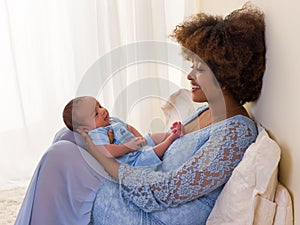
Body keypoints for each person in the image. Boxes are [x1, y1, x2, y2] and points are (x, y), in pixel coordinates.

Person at [15, 3, 265, 225]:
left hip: (152, 214)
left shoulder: (235, 133)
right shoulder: (206, 111)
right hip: (143, 188)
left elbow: (166, 192)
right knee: (68, 136)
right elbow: (167, 141)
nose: (189, 76)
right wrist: (133, 141)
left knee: (62, 155)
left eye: (199, 69)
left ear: (225, 74)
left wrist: (104, 159)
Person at [62, 96, 183, 169]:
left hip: (138, 145)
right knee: (152, 153)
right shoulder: (97, 133)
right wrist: (128, 147)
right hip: (133, 159)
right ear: (85, 129)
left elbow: (129, 128)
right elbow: (108, 151)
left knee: (153, 136)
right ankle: (171, 138)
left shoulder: (111, 120)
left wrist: (142, 139)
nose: (103, 111)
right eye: (96, 113)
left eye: (100, 106)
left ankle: (172, 133)